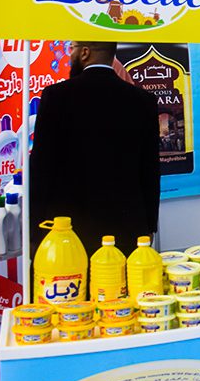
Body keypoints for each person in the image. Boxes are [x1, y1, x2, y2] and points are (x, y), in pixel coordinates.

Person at [28, 40, 160, 253]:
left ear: (85, 52)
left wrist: (33, 230)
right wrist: (149, 225)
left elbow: (41, 168)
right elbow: (150, 171)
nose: (70, 54)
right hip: (126, 230)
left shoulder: (56, 96)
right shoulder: (143, 101)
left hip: (66, 232)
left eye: (72, 48)